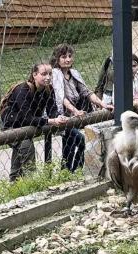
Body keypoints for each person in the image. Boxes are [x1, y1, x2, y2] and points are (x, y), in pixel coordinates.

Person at [51, 44, 113, 172]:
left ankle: (73, 171)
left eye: (69, 56)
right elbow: (61, 97)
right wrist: (75, 110)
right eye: (63, 57)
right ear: (57, 59)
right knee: (79, 140)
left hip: (74, 116)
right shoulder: (55, 74)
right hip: (63, 116)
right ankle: (69, 171)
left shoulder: (74, 73)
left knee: (72, 144)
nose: (67, 59)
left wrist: (103, 104)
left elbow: (87, 92)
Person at [1, 62, 68, 182]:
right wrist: (51, 121)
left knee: (18, 160)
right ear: (34, 75)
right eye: (44, 74)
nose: (48, 77)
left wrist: (59, 117)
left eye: (50, 74)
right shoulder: (23, 89)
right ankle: (31, 184)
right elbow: (26, 117)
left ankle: (14, 185)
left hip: (28, 128)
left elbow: (52, 109)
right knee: (27, 149)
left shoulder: (48, 89)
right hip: (12, 127)